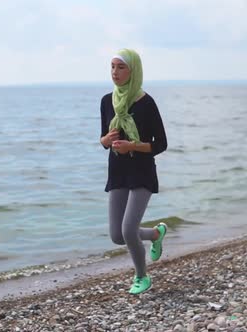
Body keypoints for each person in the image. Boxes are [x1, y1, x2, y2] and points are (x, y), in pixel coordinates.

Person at [99, 48, 168, 294]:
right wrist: (106, 140)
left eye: (121, 67)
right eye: (112, 67)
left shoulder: (146, 103)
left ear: (133, 70)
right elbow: (103, 139)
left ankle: (142, 277)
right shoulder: (107, 101)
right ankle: (155, 234)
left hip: (142, 171)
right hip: (117, 171)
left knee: (128, 230)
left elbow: (161, 144)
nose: (115, 73)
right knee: (117, 236)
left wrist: (133, 146)